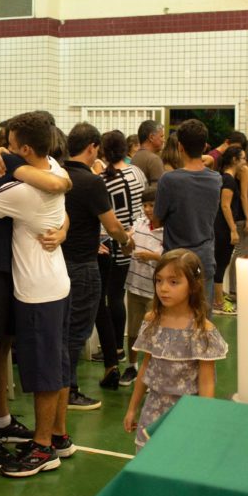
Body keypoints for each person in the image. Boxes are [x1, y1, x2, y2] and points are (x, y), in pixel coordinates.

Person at [0, 111, 73, 478]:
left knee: (18, 353)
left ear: (25, 148)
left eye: (10, 144)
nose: (5, 148)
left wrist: (62, 229)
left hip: (27, 277)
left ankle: (21, 429)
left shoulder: (31, 174)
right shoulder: (3, 167)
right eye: (3, 143)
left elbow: (60, 189)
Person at [123, 249, 227, 451]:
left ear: (193, 286)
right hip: (152, 413)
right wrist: (132, 409)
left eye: (173, 282)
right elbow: (145, 368)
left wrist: (205, 422)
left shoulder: (202, 331)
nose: (163, 288)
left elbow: (206, 384)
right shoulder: (152, 321)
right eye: (159, 280)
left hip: (186, 415)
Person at [61, 123, 131, 410]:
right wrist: (126, 241)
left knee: (63, 326)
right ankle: (68, 390)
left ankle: (60, 387)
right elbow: (112, 226)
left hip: (57, 262)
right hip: (82, 263)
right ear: (92, 147)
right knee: (78, 330)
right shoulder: (91, 182)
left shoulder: (57, 176)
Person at [95, 130, 146, 388]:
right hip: (139, 239)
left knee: (111, 296)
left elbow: (105, 216)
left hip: (116, 243)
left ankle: (116, 349)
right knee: (125, 297)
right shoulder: (136, 172)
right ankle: (124, 351)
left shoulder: (104, 179)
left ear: (103, 151)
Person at [152, 119, 222, 311]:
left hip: (175, 259)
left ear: (180, 147)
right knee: (201, 318)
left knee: (172, 318)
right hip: (204, 258)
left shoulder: (169, 180)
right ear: (205, 146)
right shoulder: (215, 179)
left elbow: (157, 220)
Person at [119, 186, 162, 386]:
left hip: (155, 291)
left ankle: (153, 372)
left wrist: (152, 256)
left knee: (153, 332)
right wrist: (124, 240)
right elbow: (126, 250)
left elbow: (171, 257)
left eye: (152, 205)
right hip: (135, 285)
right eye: (145, 205)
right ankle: (132, 366)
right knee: (134, 330)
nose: (147, 209)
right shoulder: (139, 223)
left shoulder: (167, 230)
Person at [212, 146, 246, 315]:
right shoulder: (229, 180)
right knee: (221, 263)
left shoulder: (224, 178)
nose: (245, 162)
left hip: (220, 226)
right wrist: (233, 229)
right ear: (234, 160)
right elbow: (225, 205)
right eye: (243, 158)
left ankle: (217, 298)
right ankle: (218, 302)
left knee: (220, 263)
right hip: (223, 228)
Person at [227, 140, 248, 303]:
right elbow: (244, 196)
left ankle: (236, 287)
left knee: (241, 252)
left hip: (239, 215)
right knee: (242, 252)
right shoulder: (245, 170)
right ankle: (235, 288)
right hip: (243, 215)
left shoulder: (240, 170)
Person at [130, 120, 164, 185]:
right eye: (161, 136)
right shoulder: (154, 159)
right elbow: (158, 189)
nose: (163, 140)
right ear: (151, 137)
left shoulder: (135, 157)